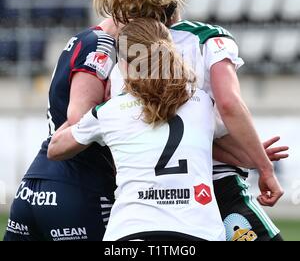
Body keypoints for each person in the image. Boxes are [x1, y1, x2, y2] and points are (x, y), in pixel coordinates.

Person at [79, 0, 285, 241]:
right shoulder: (208, 38)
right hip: (211, 186)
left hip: (147, 197)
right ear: (175, 2)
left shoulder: (126, 57)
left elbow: (150, 128)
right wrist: (261, 164)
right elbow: (229, 105)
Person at [48, 18, 236, 241]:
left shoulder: (110, 111)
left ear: (125, 64)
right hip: (199, 232)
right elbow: (230, 143)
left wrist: (92, 106)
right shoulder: (203, 102)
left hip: (131, 232)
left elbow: (55, 148)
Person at [3, 20, 118, 241]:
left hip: (33, 183)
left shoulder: (82, 38)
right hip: (78, 185)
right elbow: (80, 119)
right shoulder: (104, 44)